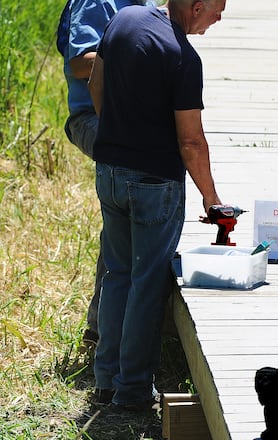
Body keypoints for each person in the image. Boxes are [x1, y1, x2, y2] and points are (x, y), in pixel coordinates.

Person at [87, 0, 226, 409]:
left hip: (109, 171)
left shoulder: (124, 18)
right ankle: (131, 390)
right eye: (218, 9)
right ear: (197, 6)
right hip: (153, 183)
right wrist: (211, 197)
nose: (220, 18)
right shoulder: (184, 57)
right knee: (147, 284)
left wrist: (116, 136)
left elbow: (96, 80)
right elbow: (190, 141)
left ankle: (105, 380)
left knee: (117, 275)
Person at [61, 0, 153, 351]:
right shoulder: (98, 1)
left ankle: (115, 326)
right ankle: (103, 331)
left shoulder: (141, 3)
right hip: (91, 119)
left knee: (128, 220)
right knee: (133, 203)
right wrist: (140, 53)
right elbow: (80, 63)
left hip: (125, 120)